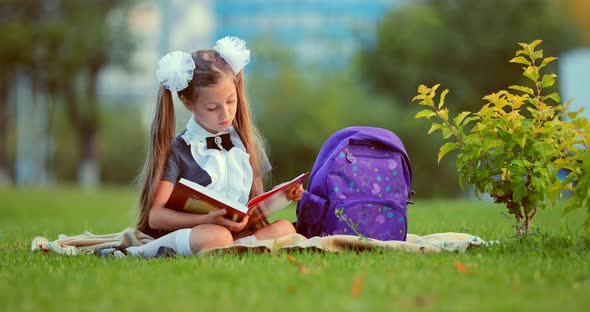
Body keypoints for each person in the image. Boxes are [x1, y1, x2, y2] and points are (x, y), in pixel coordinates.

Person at [126, 36, 302, 258]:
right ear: (188, 103)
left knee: (285, 227)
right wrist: (206, 219)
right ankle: (137, 252)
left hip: (235, 233)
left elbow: (251, 209)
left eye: (230, 101)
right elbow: (156, 217)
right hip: (197, 232)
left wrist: (284, 195)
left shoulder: (246, 143)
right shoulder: (180, 150)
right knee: (217, 236)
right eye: (212, 107)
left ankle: (235, 250)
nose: (225, 113)